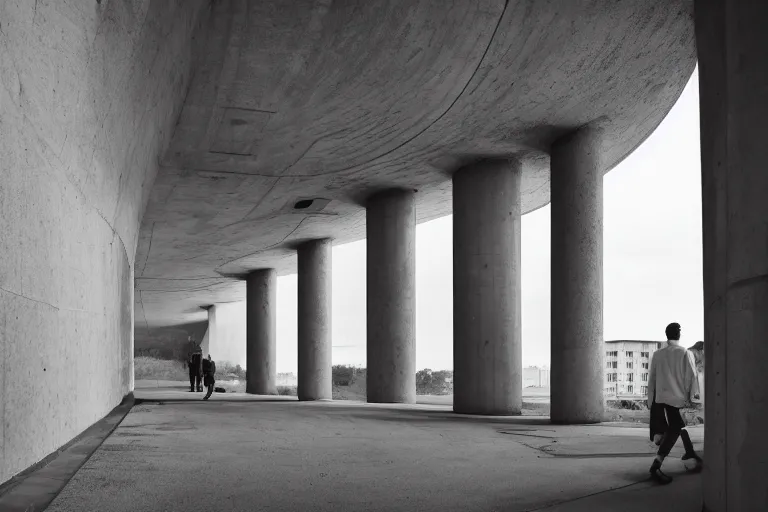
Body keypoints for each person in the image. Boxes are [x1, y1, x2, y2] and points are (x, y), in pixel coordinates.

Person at [647, 323, 703, 484]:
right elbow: (691, 378)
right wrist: (693, 399)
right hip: (677, 400)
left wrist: (650, 401)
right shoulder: (684, 353)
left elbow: (652, 379)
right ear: (679, 335)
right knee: (676, 428)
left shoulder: (658, 354)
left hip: (659, 399)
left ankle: (687, 453)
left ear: (666, 335)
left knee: (675, 428)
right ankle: (657, 464)